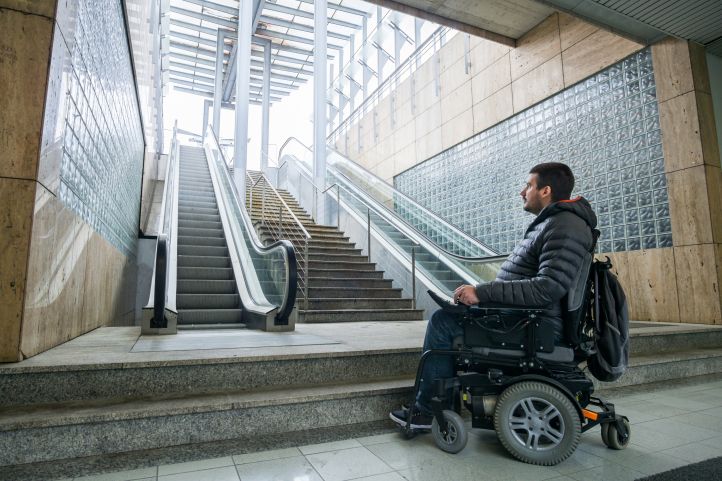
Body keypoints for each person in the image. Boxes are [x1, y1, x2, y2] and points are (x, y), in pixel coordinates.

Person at [390, 162, 598, 430]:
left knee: (443, 322)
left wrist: (481, 293)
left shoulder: (565, 225)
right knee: (451, 315)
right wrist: (482, 299)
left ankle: (428, 412)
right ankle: (439, 406)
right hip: (524, 319)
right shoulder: (555, 223)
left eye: (529, 185)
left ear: (545, 191)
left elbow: (547, 288)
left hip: (535, 327)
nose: (522, 192)